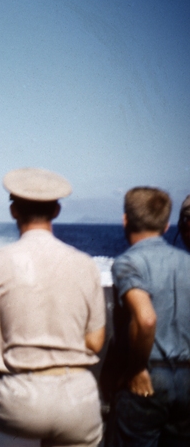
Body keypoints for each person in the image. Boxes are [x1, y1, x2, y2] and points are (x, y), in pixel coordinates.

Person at [0, 168, 106, 447]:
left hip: (21, 400)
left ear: (14, 211)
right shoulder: (86, 265)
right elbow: (96, 342)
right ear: (57, 211)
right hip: (79, 402)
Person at [107, 187, 190, 445]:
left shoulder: (128, 262)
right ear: (166, 226)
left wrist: (137, 368)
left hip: (150, 377)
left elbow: (146, 319)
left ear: (125, 220)